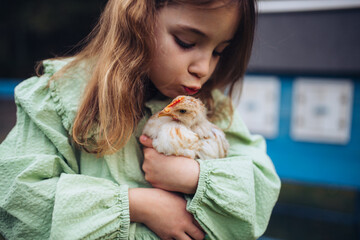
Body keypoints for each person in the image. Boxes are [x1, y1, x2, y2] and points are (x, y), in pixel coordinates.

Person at [0, 0, 281, 239]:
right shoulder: (62, 94)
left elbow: (261, 190)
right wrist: (138, 205)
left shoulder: (211, 106)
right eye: (187, 42)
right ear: (137, 19)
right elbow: (16, 202)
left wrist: (193, 178)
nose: (204, 67)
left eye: (219, 51)